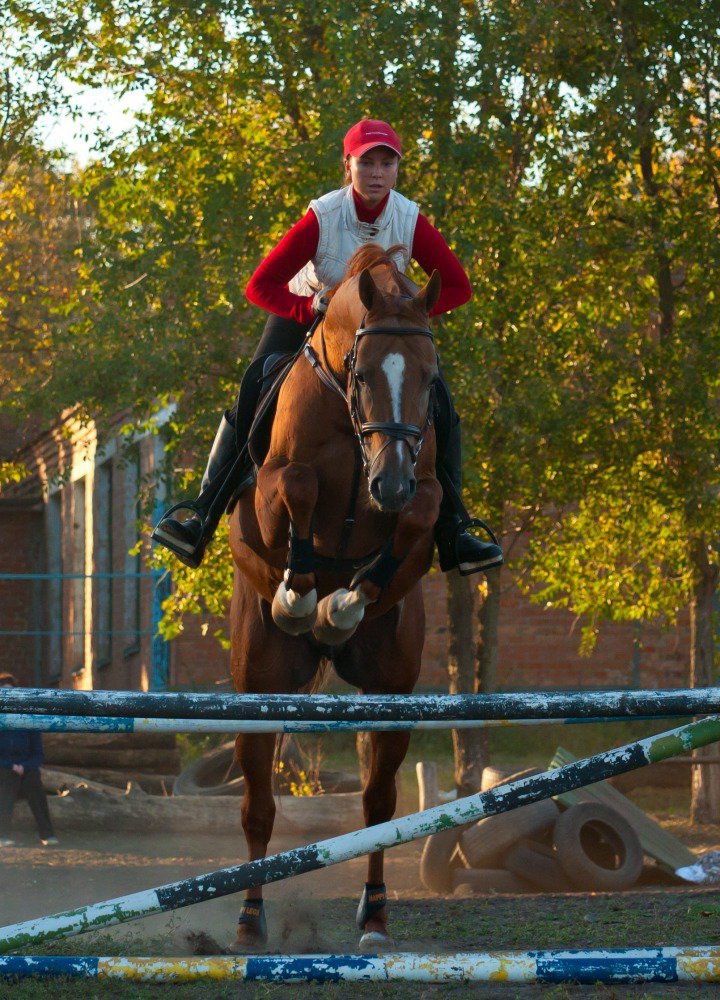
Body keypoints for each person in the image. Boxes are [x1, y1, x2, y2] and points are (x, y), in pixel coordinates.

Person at [152, 118, 504, 576]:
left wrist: (404, 319)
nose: (377, 173)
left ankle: (456, 529)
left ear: (397, 169)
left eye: (386, 163)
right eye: (366, 163)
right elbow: (260, 285)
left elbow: (458, 288)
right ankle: (202, 512)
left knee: (438, 396)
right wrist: (310, 310)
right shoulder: (324, 214)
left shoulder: (410, 217)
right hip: (308, 312)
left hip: (380, 330)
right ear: (348, 165)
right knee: (257, 379)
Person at [0, 673, 58, 847]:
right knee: (6, 786)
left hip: (26, 770)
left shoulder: (27, 720)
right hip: (4, 770)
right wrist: (10, 765)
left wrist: (23, 766)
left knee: (35, 786)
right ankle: (2, 835)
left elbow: (38, 754)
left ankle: (47, 835)